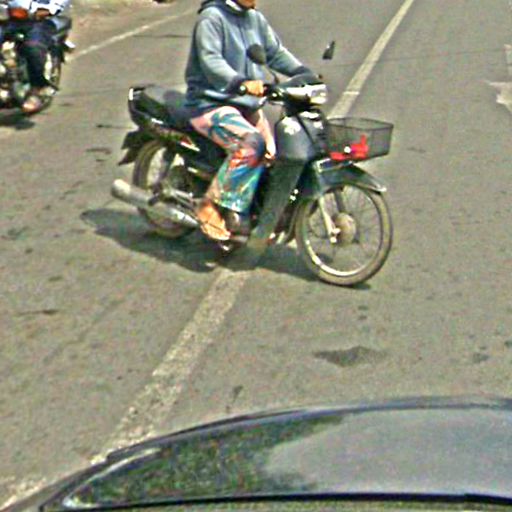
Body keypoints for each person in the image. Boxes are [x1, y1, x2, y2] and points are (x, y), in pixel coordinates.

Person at [185, 0, 313, 241]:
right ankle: (209, 205)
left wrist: (303, 73)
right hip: (210, 104)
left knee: (274, 159)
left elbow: (274, 53)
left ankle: (254, 213)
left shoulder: (254, 19)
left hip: (247, 106)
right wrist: (241, 83)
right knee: (253, 145)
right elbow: (212, 61)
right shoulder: (211, 18)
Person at [0, 0, 71, 113]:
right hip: (10, 18)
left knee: (33, 47)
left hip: (42, 21)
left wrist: (49, 9)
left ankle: (37, 89)